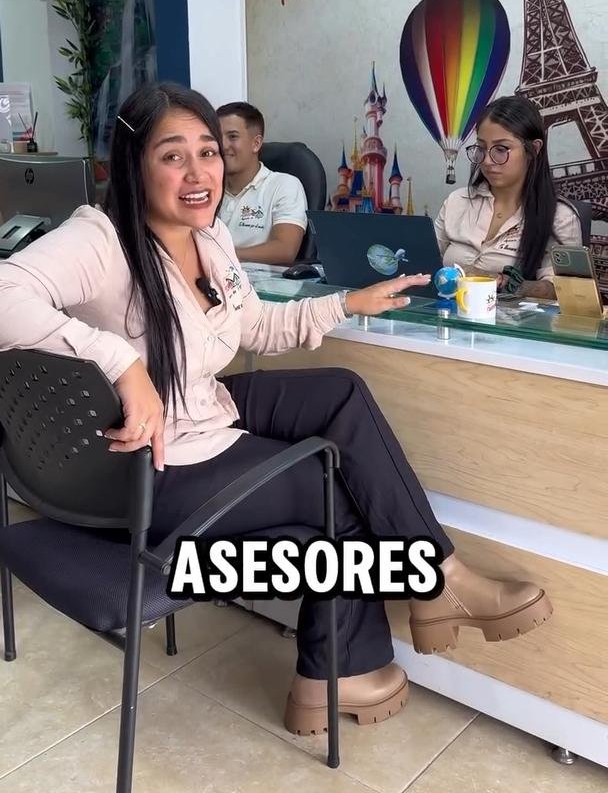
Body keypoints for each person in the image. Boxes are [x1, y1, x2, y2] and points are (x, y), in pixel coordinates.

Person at [0, 82, 552, 736]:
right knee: (335, 490)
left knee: (340, 391)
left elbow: (257, 327)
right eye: (173, 155)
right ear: (134, 163)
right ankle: (337, 670)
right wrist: (120, 362)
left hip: (200, 407)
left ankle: (439, 579)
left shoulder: (210, 238)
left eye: (208, 152)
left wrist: (347, 304)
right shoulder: (102, 238)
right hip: (155, 459)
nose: (199, 172)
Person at [435, 95, 582, 300]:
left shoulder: (560, 217)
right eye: (481, 148)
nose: (487, 161)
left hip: (513, 320)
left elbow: (564, 292)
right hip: (447, 314)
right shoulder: (457, 201)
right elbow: (425, 261)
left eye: (501, 149)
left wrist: (499, 282)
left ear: (533, 149)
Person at [217, 101, 307, 266]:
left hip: (261, 281)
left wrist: (220, 256)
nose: (222, 145)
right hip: (210, 278)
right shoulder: (207, 189)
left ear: (256, 143)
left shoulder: (284, 185)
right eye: (216, 136)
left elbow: (285, 250)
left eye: (232, 136)